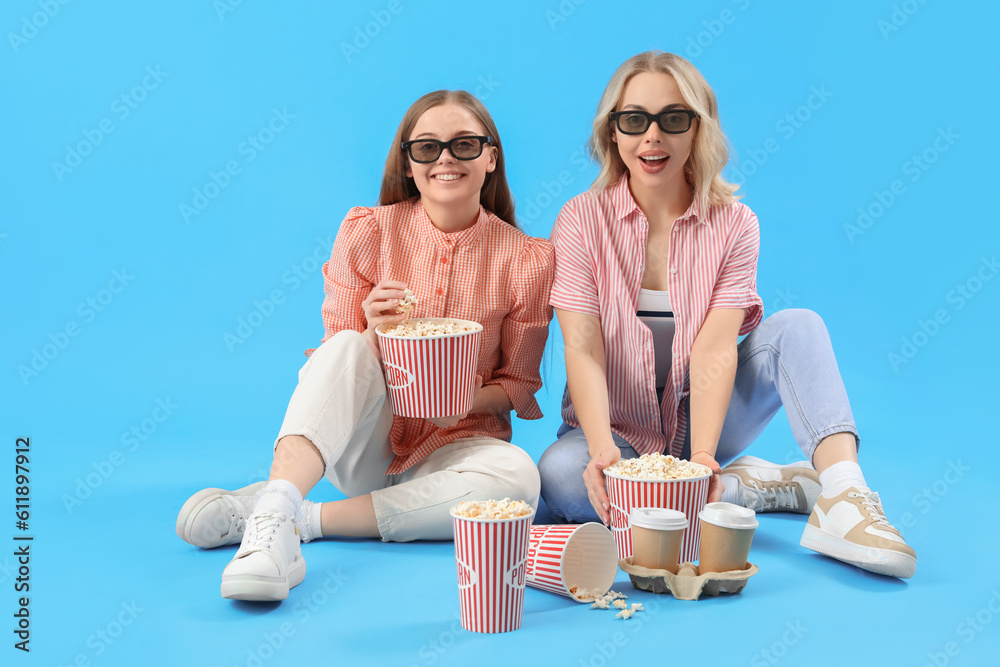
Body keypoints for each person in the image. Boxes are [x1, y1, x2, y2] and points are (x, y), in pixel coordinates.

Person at [537, 51, 916, 579]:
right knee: (559, 479)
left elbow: (716, 347)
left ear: (697, 129)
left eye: (673, 119)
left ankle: (844, 497)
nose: (653, 137)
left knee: (800, 325)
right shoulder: (580, 220)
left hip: (703, 422)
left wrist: (704, 457)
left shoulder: (735, 224)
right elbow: (582, 346)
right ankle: (743, 488)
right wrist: (600, 449)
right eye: (634, 120)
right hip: (616, 429)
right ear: (613, 134)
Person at [175, 90, 555, 601]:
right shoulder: (367, 232)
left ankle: (289, 516)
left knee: (520, 479)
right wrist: (375, 332)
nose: (445, 158)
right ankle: (273, 522)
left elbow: (518, 382)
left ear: (490, 157)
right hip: (364, 447)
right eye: (427, 148)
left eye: (464, 145)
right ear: (408, 162)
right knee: (351, 344)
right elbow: (336, 361)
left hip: (457, 448)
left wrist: (464, 403)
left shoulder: (528, 260)